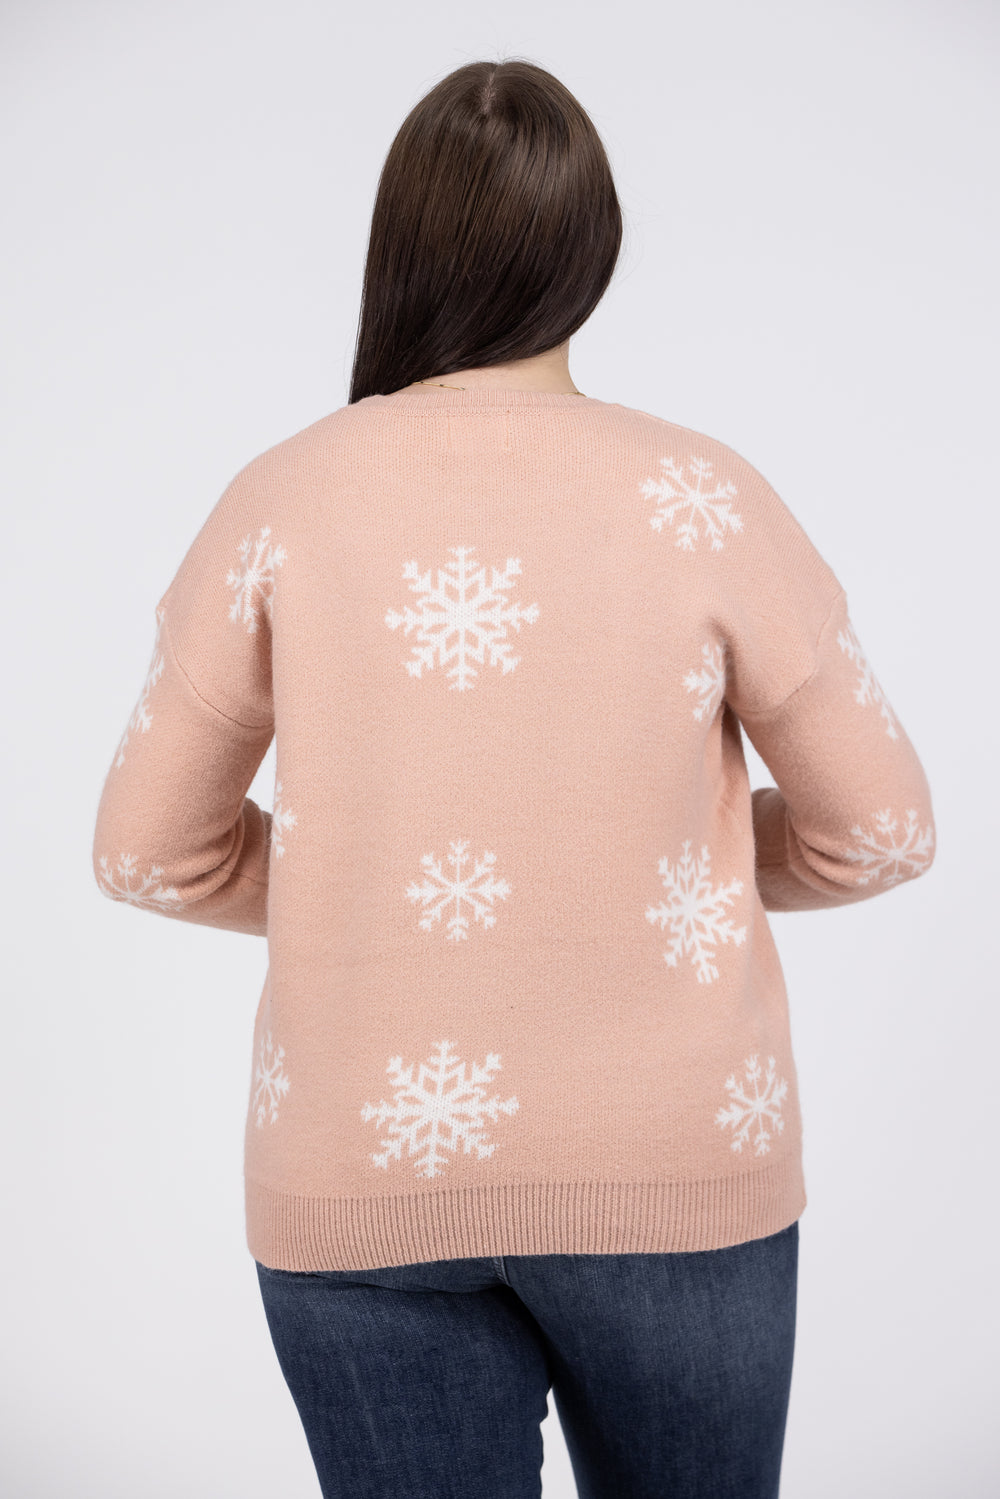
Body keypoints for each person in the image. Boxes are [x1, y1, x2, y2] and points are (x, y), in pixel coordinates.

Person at [92, 56, 936, 1499]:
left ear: (398, 247)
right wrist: (666, 861)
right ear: (592, 247)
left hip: (357, 1176)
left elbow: (145, 851)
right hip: (678, 1169)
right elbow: (886, 831)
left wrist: (362, 888)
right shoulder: (706, 496)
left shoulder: (282, 498)